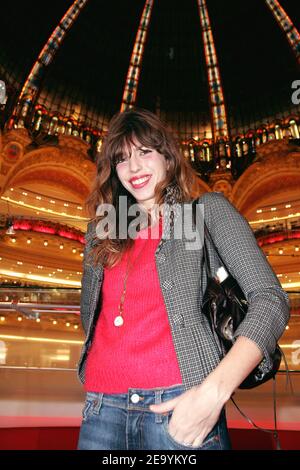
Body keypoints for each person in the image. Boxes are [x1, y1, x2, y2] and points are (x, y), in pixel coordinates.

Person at [76, 107, 290, 451]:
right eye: (121, 159)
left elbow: (270, 299)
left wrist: (213, 392)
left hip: (181, 406)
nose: (133, 168)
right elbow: (91, 317)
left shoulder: (203, 213)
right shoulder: (101, 230)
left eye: (144, 152)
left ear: (167, 156)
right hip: (101, 409)